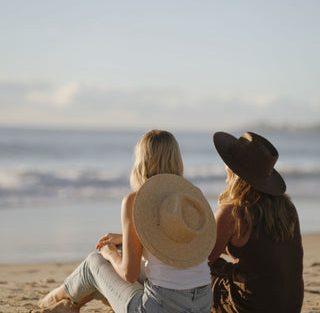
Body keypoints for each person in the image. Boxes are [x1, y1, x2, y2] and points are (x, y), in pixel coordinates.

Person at [38, 129, 217, 313]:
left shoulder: (134, 201)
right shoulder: (192, 199)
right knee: (127, 260)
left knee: (96, 262)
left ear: (142, 162)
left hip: (159, 307)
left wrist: (110, 254)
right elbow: (173, 241)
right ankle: (68, 302)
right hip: (202, 304)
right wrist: (125, 238)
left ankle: (58, 297)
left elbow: (129, 274)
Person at [208, 131, 304, 313]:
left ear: (235, 173)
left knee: (196, 274)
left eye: (228, 168)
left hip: (252, 308)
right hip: (291, 306)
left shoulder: (233, 213)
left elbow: (201, 261)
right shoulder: (287, 208)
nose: (226, 177)